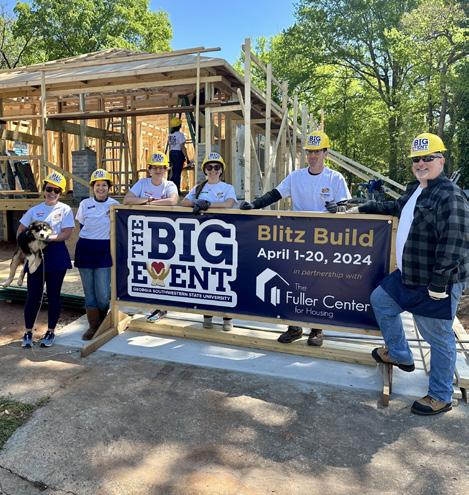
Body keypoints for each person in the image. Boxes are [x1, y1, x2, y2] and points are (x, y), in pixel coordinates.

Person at [353, 132, 468, 416]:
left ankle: (440, 395)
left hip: (434, 280)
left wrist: (439, 282)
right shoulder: (416, 188)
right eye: (416, 159)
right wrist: (365, 207)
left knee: (437, 337)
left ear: (441, 160)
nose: (420, 163)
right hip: (409, 274)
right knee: (381, 300)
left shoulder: (450, 195)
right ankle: (400, 354)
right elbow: (397, 208)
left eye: (427, 158)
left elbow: (455, 240)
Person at [240, 130, 351, 346]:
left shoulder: (335, 178)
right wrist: (254, 204)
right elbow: (275, 194)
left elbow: (346, 205)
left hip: (323, 238)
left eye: (317, 152)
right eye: (309, 152)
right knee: (292, 281)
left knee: (318, 283)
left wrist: (339, 208)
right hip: (297, 237)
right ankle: (294, 327)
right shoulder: (296, 176)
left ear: (325, 153)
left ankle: (317, 330)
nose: (312, 156)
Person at [182, 152, 238, 331]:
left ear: (221, 170)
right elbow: (184, 202)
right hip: (202, 237)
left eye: (216, 167)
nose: (213, 170)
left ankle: (227, 317)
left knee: (224, 277)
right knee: (206, 276)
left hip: (223, 236)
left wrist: (206, 204)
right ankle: (207, 314)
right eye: (209, 167)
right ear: (205, 170)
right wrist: (197, 202)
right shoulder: (199, 188)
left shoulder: (227, 187)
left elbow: (228, 204)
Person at [19, 171, 75, 348]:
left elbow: (66, 233)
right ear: (44, 189)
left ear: (61, 193)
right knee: (33, 295)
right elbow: (20, 231)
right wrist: (29, 242)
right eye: (49, 189)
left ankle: (50, 331)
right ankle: (28, 332)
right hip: (35, 256)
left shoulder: (65, 209)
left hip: (56, 255)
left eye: (56, 190)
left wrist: (47, 238)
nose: (52, 193)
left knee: (53, 295)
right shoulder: (34, 210)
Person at [124, 151, 178, 321]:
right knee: (145, 269)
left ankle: (162, 306)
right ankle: (147, 303)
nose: (158, 170)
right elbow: (127, 199)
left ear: (166, 169)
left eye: (162, 167)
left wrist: (148, 202)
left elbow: (173, 201)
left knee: (163, 271)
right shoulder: (142, 183)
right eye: (154, 167)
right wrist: (149, 201)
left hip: (164, 236)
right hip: (144, 235)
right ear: (149, 169)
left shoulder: (169, 184)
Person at [75, 169, 119, 340]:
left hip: (104, 250)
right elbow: (82, 225)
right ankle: (93, 325)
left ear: (109, 187)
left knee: (103, 293)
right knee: (89, 292)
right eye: (97, 185)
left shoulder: (114, 205)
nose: (101, 188)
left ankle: (102, 321)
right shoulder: (85, 204)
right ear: (93, 187)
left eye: (104, 185)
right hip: (85, 248)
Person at [167, 116, 191, 193]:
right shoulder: (180, 135)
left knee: (174, 172)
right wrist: (187, 158)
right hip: (178, 154)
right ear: (179, 126)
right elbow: (182, 147)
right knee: (177, 173)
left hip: (172, 153)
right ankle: (176, 190)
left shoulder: (170, 135)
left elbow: (170, 146)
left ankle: (171, 189)